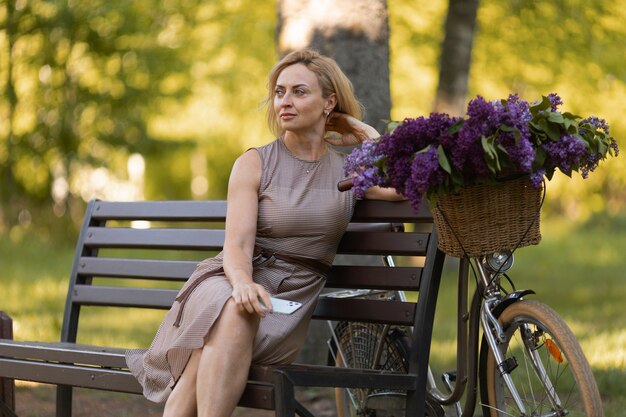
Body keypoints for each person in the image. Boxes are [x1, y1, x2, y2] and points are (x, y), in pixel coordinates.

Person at [126, 48, 403, 417]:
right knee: (236, 307)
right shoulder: (254, 162)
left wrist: (365, 134)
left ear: (329, 102)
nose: (284, 101)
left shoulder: (349, 170)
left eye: (299, 92)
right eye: (279, 92)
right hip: (231, 280)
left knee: (210, 347)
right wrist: (242, 283)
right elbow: (237, 246)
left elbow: (402, 186)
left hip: (289, 302)